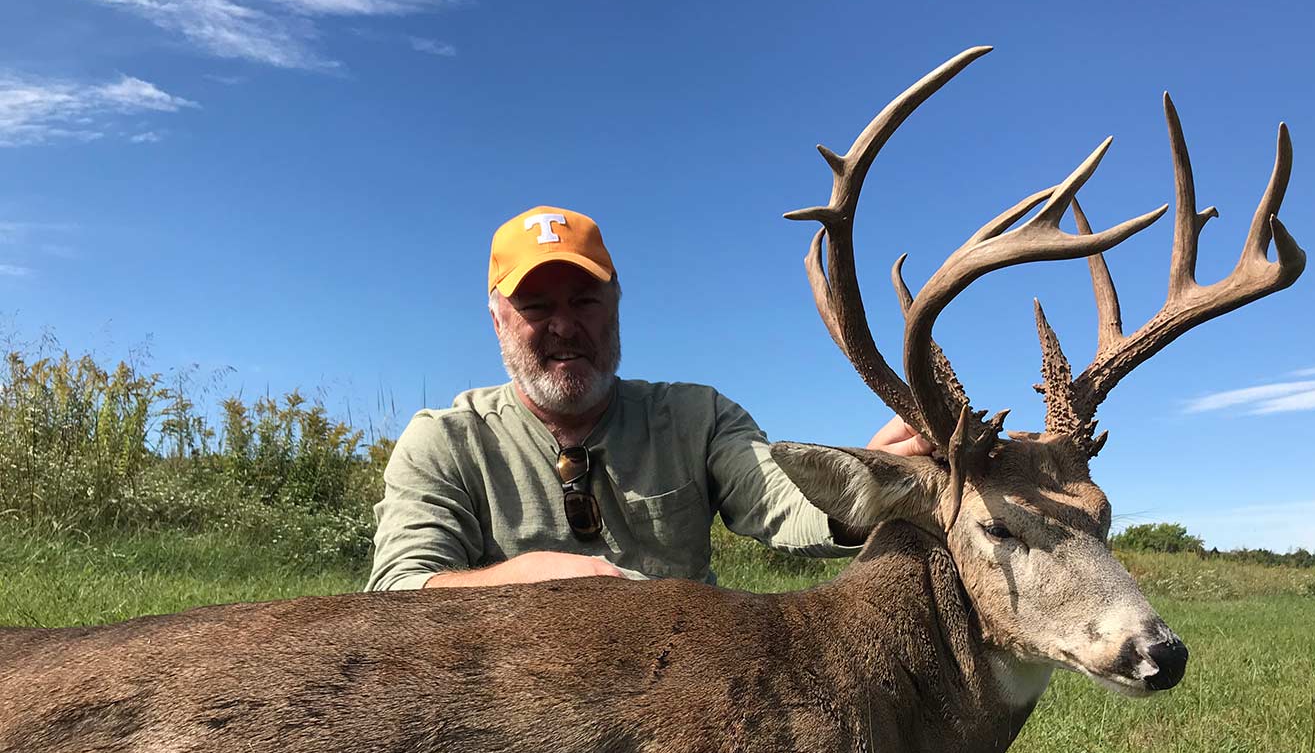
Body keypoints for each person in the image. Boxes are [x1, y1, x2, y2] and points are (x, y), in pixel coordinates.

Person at [366, 205, 932, 594]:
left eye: (585, 300)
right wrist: (528, 583)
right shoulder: (444, 441)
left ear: (616, 305)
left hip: (682, 692)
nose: (564, 326)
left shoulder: (697, 417)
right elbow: (398, 589)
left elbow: (777, 496)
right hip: (518, 708)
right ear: (497, 320)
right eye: (536, 307)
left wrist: (867, 482)